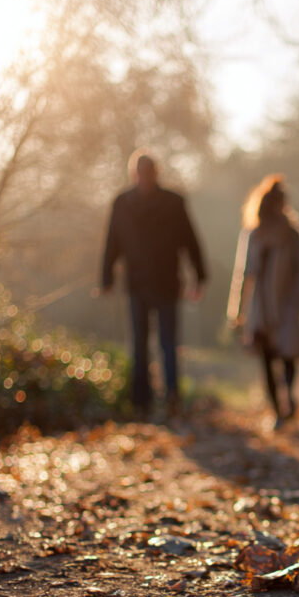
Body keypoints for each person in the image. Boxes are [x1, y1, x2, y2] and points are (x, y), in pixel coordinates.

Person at [101, 150, 207, 416]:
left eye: (148, 173)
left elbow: (191, 241)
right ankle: (140, 401)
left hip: (167, 285)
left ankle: (172, 397)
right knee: (138, 344)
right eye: (139, 173)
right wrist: (106, 277)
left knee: (168, 343)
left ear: (155, 173)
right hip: (136, 284)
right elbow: (112, 242)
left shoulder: (174, 202)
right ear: (133, 174)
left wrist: (199, 276)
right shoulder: (121, 203)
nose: (144, 178)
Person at [227, 175, 299, 427]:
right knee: (266, 361)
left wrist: (297, 302)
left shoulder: (293, 234)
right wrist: (237, 312)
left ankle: (287, 399)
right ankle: (278, 410)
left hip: (286, 306)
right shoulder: (253, 234)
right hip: (260, 308)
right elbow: (243, 274)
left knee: (288, 356)